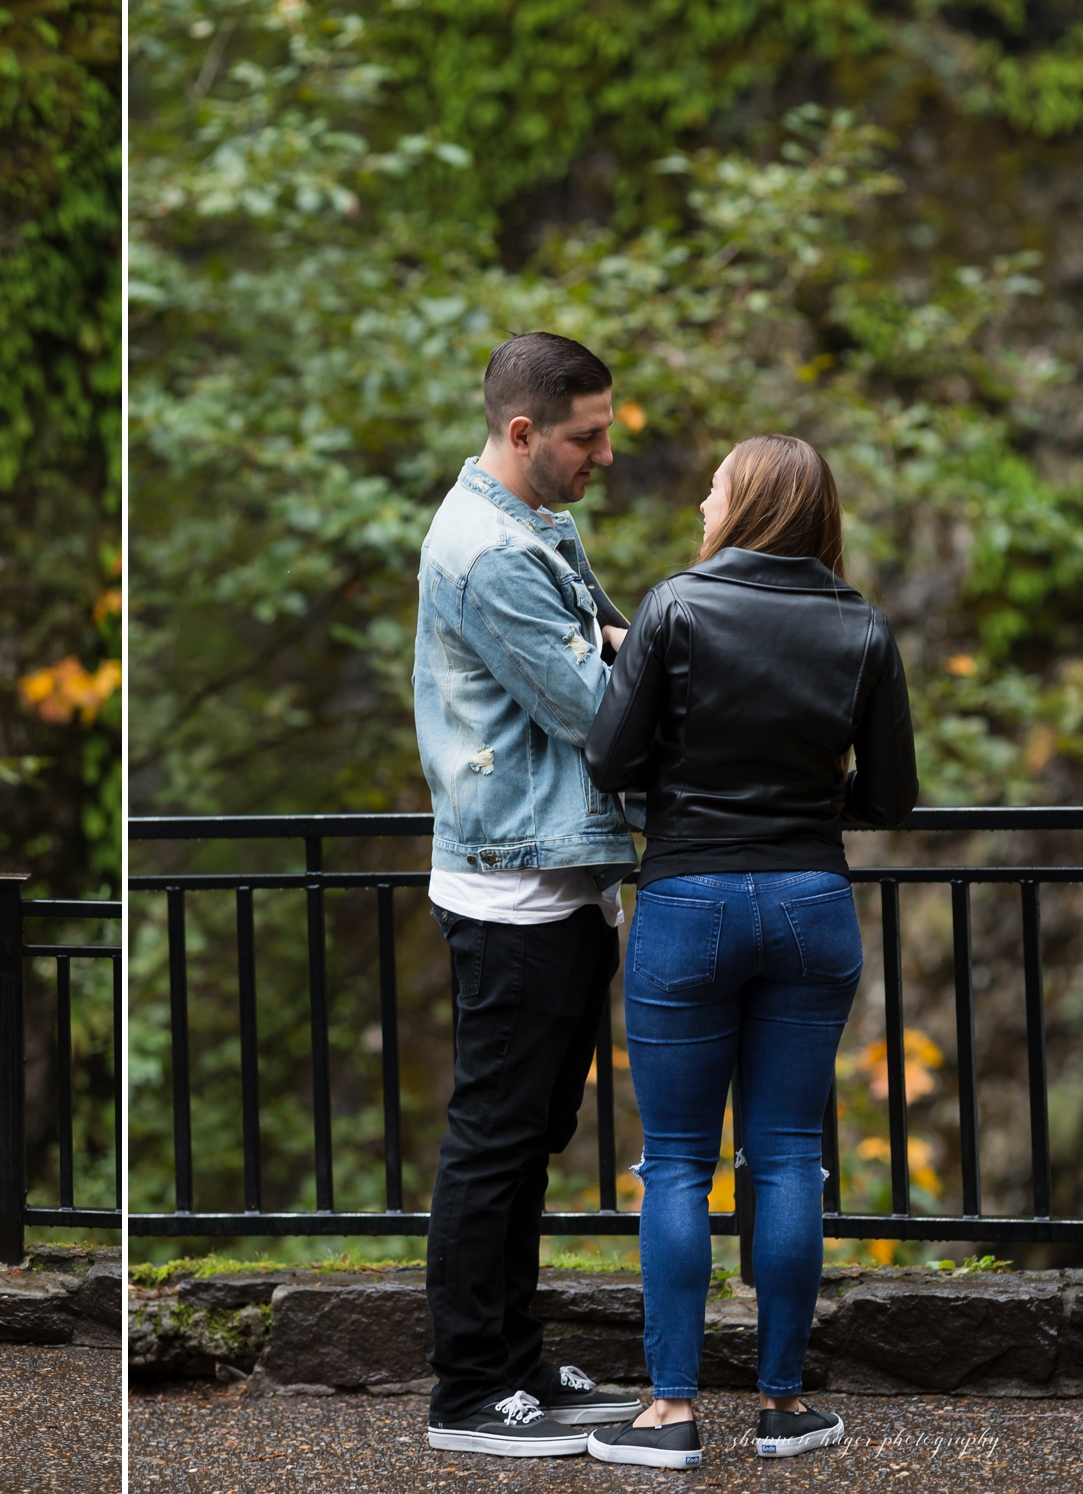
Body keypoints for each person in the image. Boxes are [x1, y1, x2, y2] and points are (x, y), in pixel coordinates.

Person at [582, 435, 916, 1469]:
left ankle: (670, 1414)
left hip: (688, 898)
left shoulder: (673, 607)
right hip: (809, 901)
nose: (699, 500)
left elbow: (608, 755)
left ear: (750, 505)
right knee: (785, 1158)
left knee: (676, 1161)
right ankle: (781, 1407)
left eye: (714, 487)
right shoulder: (859, 625)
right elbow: (891, 796)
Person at [413, 332, 646, 1457]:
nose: (603, 454)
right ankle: (469, 1391)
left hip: (558, 882)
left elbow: (609, 647)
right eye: (584, 437)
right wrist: (616, 652)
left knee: (525, 1137)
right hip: (514, 893)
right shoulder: (489, 552)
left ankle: (512, 1360)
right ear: (522, 433)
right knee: (495, 1141)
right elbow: (602, 710)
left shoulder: (533, 522)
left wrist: (610, 644)